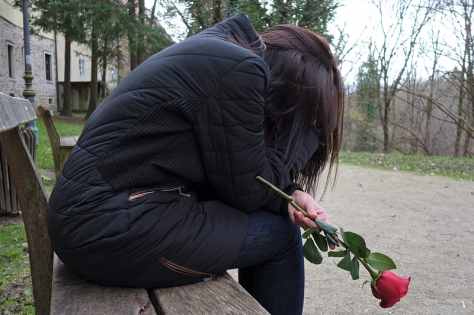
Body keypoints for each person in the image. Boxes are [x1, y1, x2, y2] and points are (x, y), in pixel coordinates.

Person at [48, 14, 344, 315]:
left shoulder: (223, 54)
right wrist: (311, 134)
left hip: (96, 218)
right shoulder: (239, 69)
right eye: (304, 120)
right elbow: (248, 195)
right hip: (103, 228)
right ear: (289, 95)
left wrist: (290, 195)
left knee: (274, 227)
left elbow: (236, 169)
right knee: (280, 236)